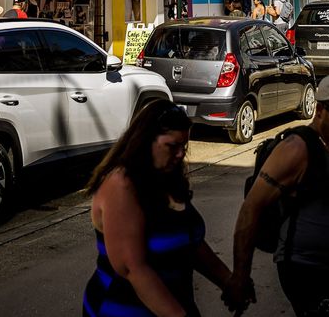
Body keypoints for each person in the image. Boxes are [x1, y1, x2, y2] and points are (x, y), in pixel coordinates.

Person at [226, 73, 329, 316]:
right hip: (302, 269)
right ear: (320, 110)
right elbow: (251, 208)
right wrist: (240, 276)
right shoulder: (297, 149)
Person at [83, 99, 235, 317]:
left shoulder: (167, 177)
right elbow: (132, 268)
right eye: (172, 146)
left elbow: (190, 242)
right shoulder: (121, 184)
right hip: (122, 309)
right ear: (145, 142)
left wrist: (227, 281)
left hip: (173, 303)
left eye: (184, 146)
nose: (181, 154)